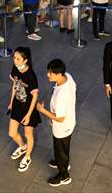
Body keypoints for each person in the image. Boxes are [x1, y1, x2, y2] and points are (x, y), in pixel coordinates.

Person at [36, 59, 76, 187]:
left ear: (59, 75)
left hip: (62, 127)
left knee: (61, 149)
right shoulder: (68, 76)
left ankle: (64, 175)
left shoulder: (61, 95)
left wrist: (43, 110)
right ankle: (61, 162)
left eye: (51, 73)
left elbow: (60, 118)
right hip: (69, 122)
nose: (48, 75)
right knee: (63, 148)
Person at [8, 47, 40, 173]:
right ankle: (22, 146)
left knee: (28, 134)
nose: (15, 61)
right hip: (17, 105)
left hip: (28, 109)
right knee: (12, 133)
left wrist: (29, 114)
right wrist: (11, 101)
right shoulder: (16, 68)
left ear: (25, 60)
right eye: (14, 58)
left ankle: (27, 157)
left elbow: (35, 96)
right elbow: (15, 84)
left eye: (18, 59)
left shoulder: (31, 76)